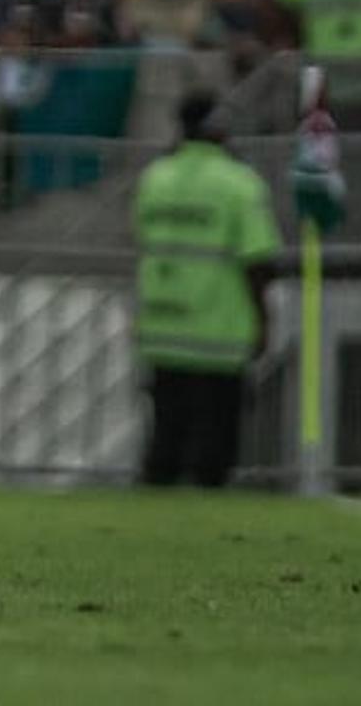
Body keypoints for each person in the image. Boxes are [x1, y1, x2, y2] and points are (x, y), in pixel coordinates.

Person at [132, 94, 281, 487]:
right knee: (214, 445)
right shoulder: (239, 183)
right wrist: (263, 318)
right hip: (218, 330)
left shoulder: (155, 177)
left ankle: (152, 509)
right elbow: (257, 258)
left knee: (165, 436)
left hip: (163, 323)